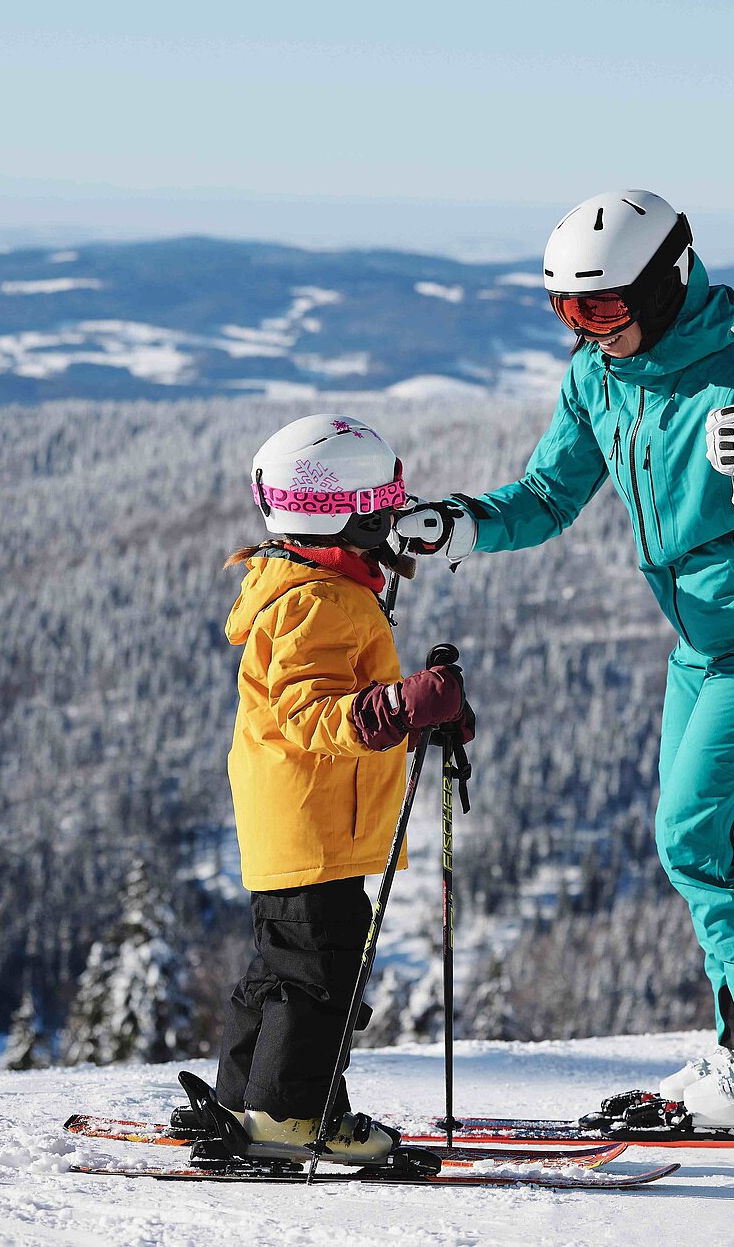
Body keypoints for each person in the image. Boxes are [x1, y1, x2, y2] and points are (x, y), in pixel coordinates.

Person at [396, 191, 734, 1127]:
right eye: (566, 310)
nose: (586, 329)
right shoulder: (597, 380)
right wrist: (463, 525)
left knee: (700, 840)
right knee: (696, 847)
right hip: (698, 645)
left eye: (601, 308)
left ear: (665, 284)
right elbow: (548, 497)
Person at [215, 413, 473, 1163]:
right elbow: (308, 711)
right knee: (321, 975)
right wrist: (394, 707)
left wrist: (419, 713)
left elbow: (344, 695)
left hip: (299, 821)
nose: (396, 513)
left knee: (283, 969)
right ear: (342, 512)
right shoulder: (315, 600)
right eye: (383, 500)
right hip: (315, 822)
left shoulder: (315, 586)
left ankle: (246, 1102)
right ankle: (294, 1114)